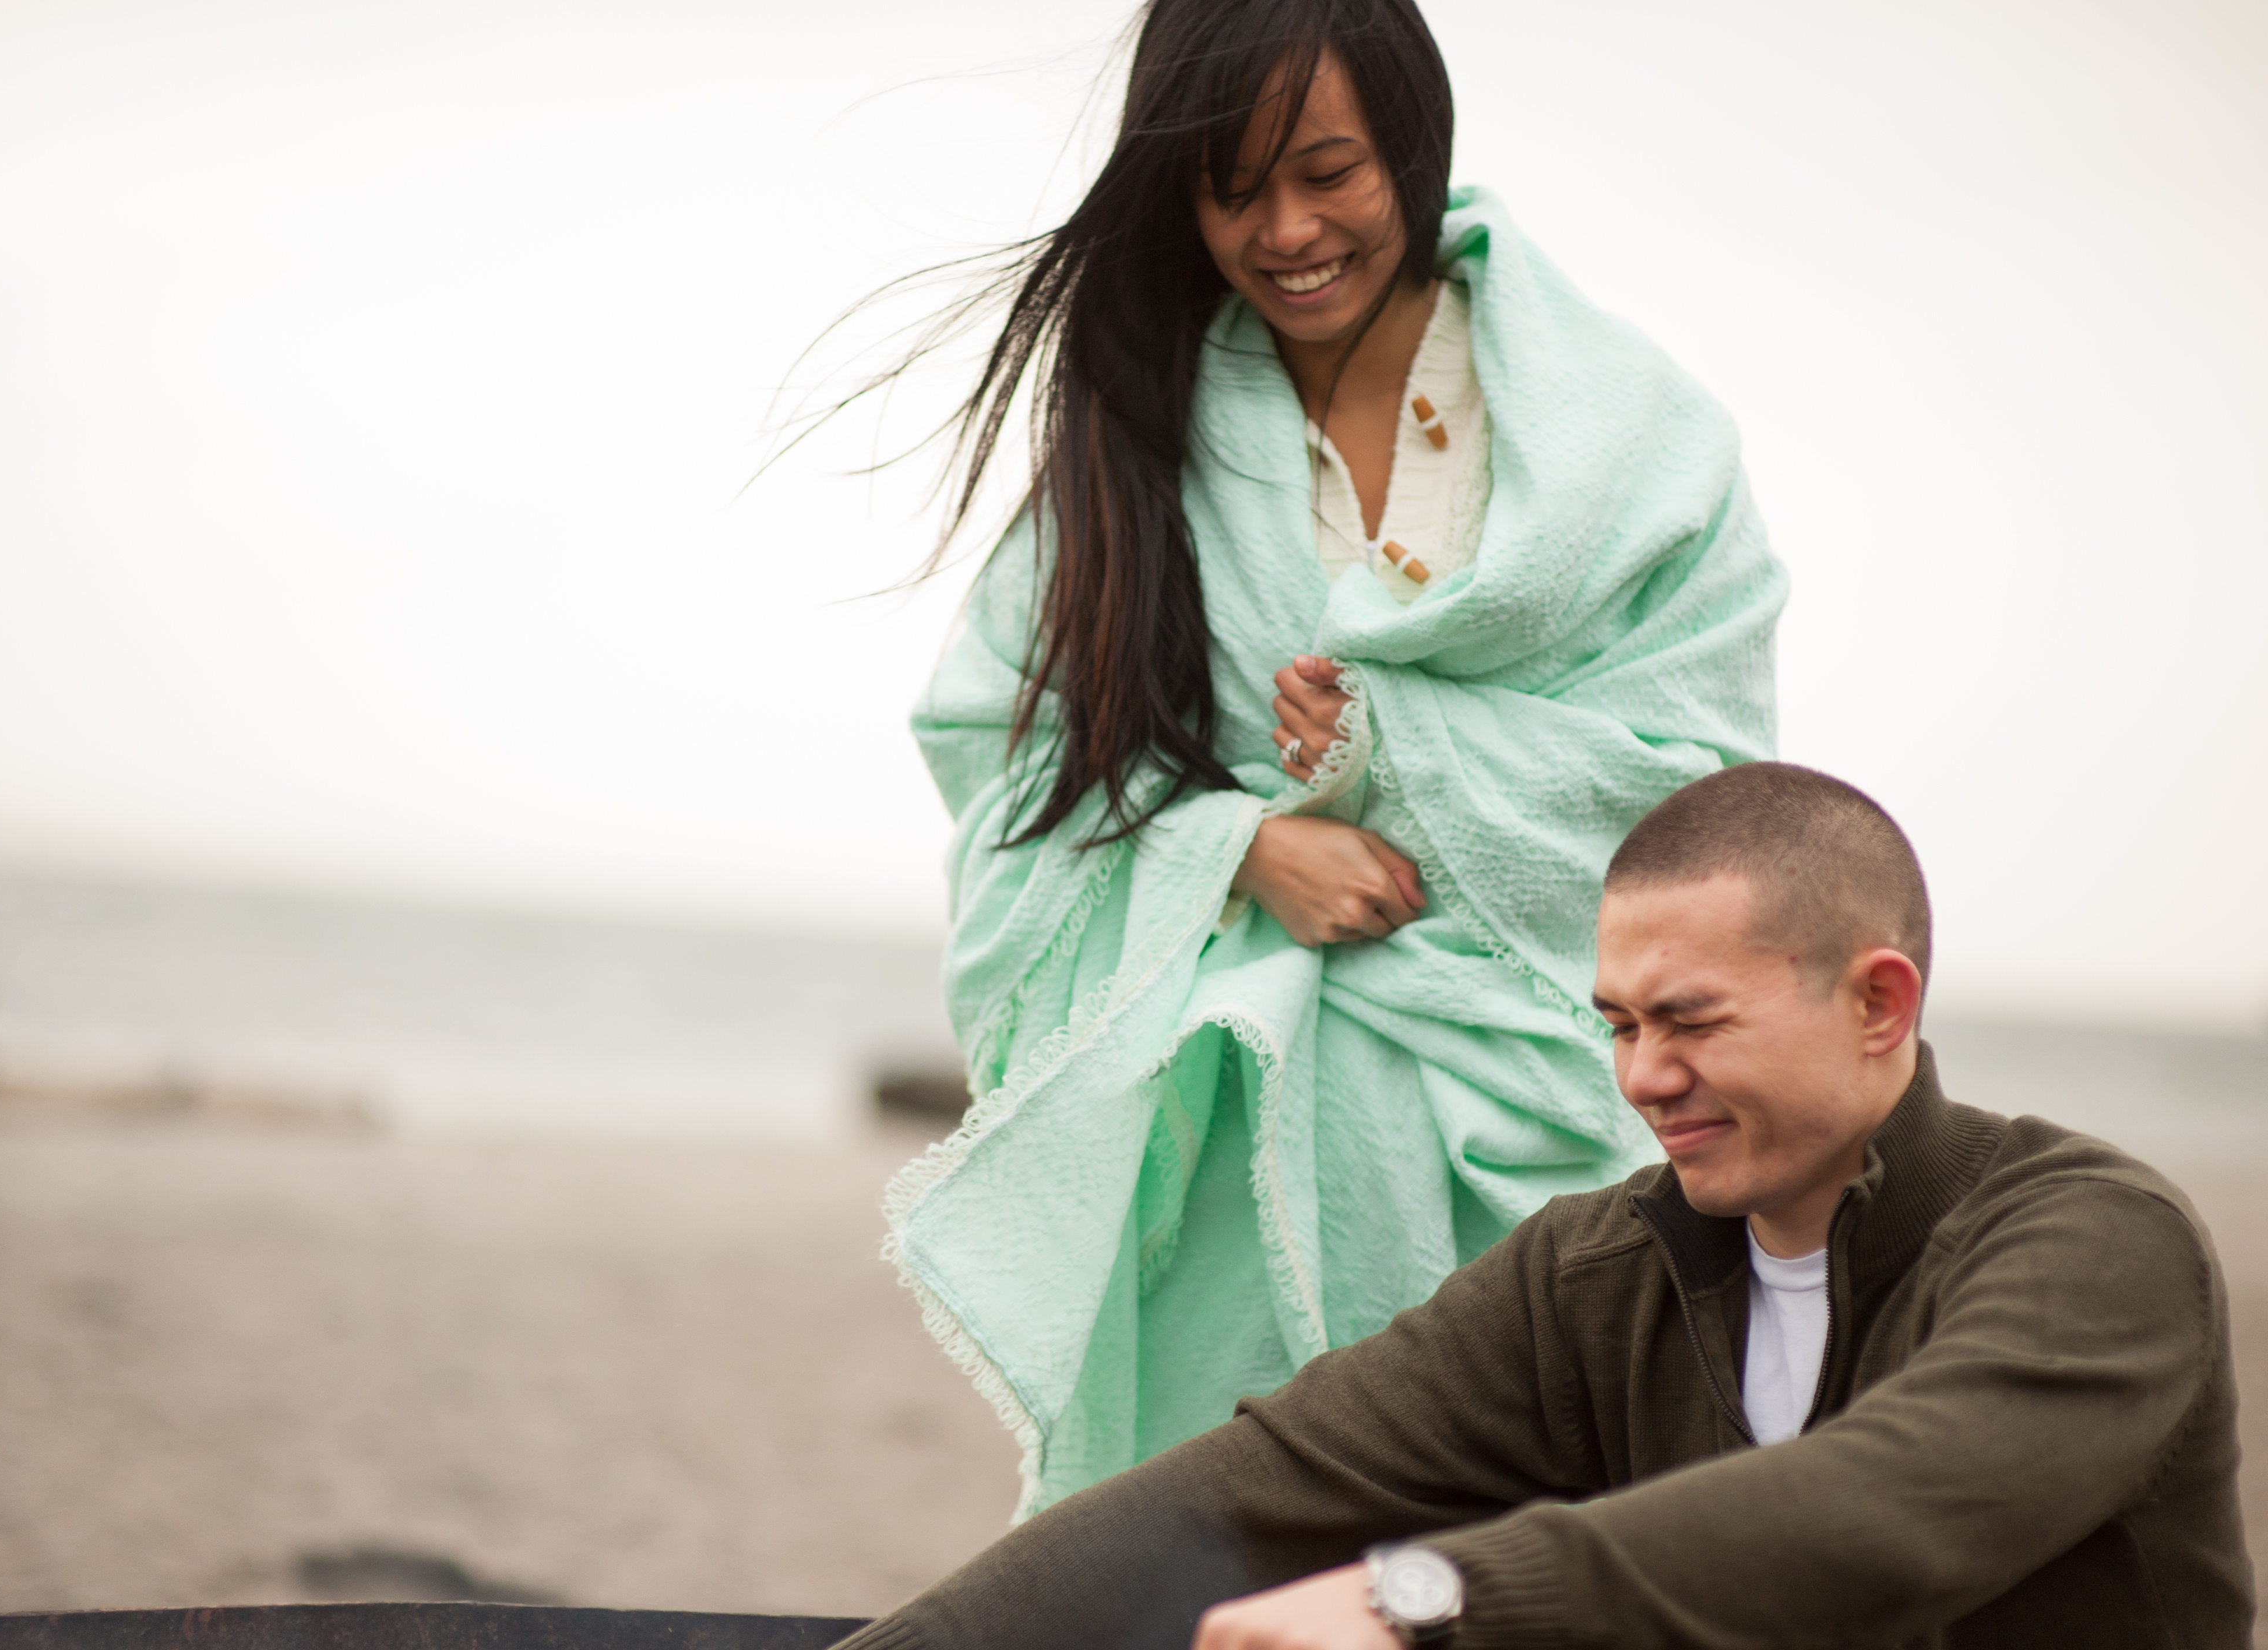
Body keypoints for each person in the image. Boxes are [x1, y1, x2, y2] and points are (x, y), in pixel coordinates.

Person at [882, 0, 1788, 1517]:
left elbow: (1707, 793)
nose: (1286, 231)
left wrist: (1403, 751)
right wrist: (1234, 845)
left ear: (1412, 149)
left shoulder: (1636, 437)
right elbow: (1003, 752)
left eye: (1329, 173)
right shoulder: (1136, 430)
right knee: (1226, 1561)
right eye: (1233, 187)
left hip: (1560, 1122)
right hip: (1238, 1137)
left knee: (1544, 1553)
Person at [834, 763, 2252, 1649]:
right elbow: (1255, 1486)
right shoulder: (1598, 1273)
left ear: (1877, 1001)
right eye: (1619, 1024)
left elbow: (1884, 1514)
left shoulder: (2091, 1241)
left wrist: (1425, 1599)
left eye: (1690, 1020)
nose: (1644, 1077)